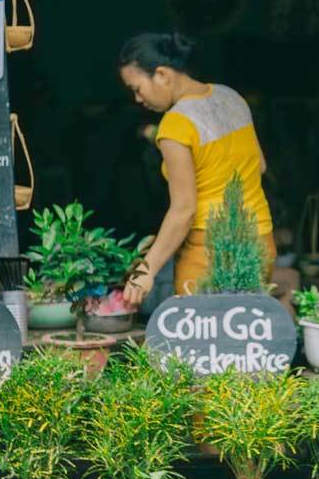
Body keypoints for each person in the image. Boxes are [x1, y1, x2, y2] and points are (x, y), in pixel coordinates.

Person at [117, 32, 274, 305]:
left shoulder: (175, 125)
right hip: (260, 241)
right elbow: (259, 166)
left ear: (163, 74)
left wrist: (147, 270)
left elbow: (184, 209)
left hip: (209, 252)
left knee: (203, 343)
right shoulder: (231, 97)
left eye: (137, 88)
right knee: (248, 339)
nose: (138, 99)